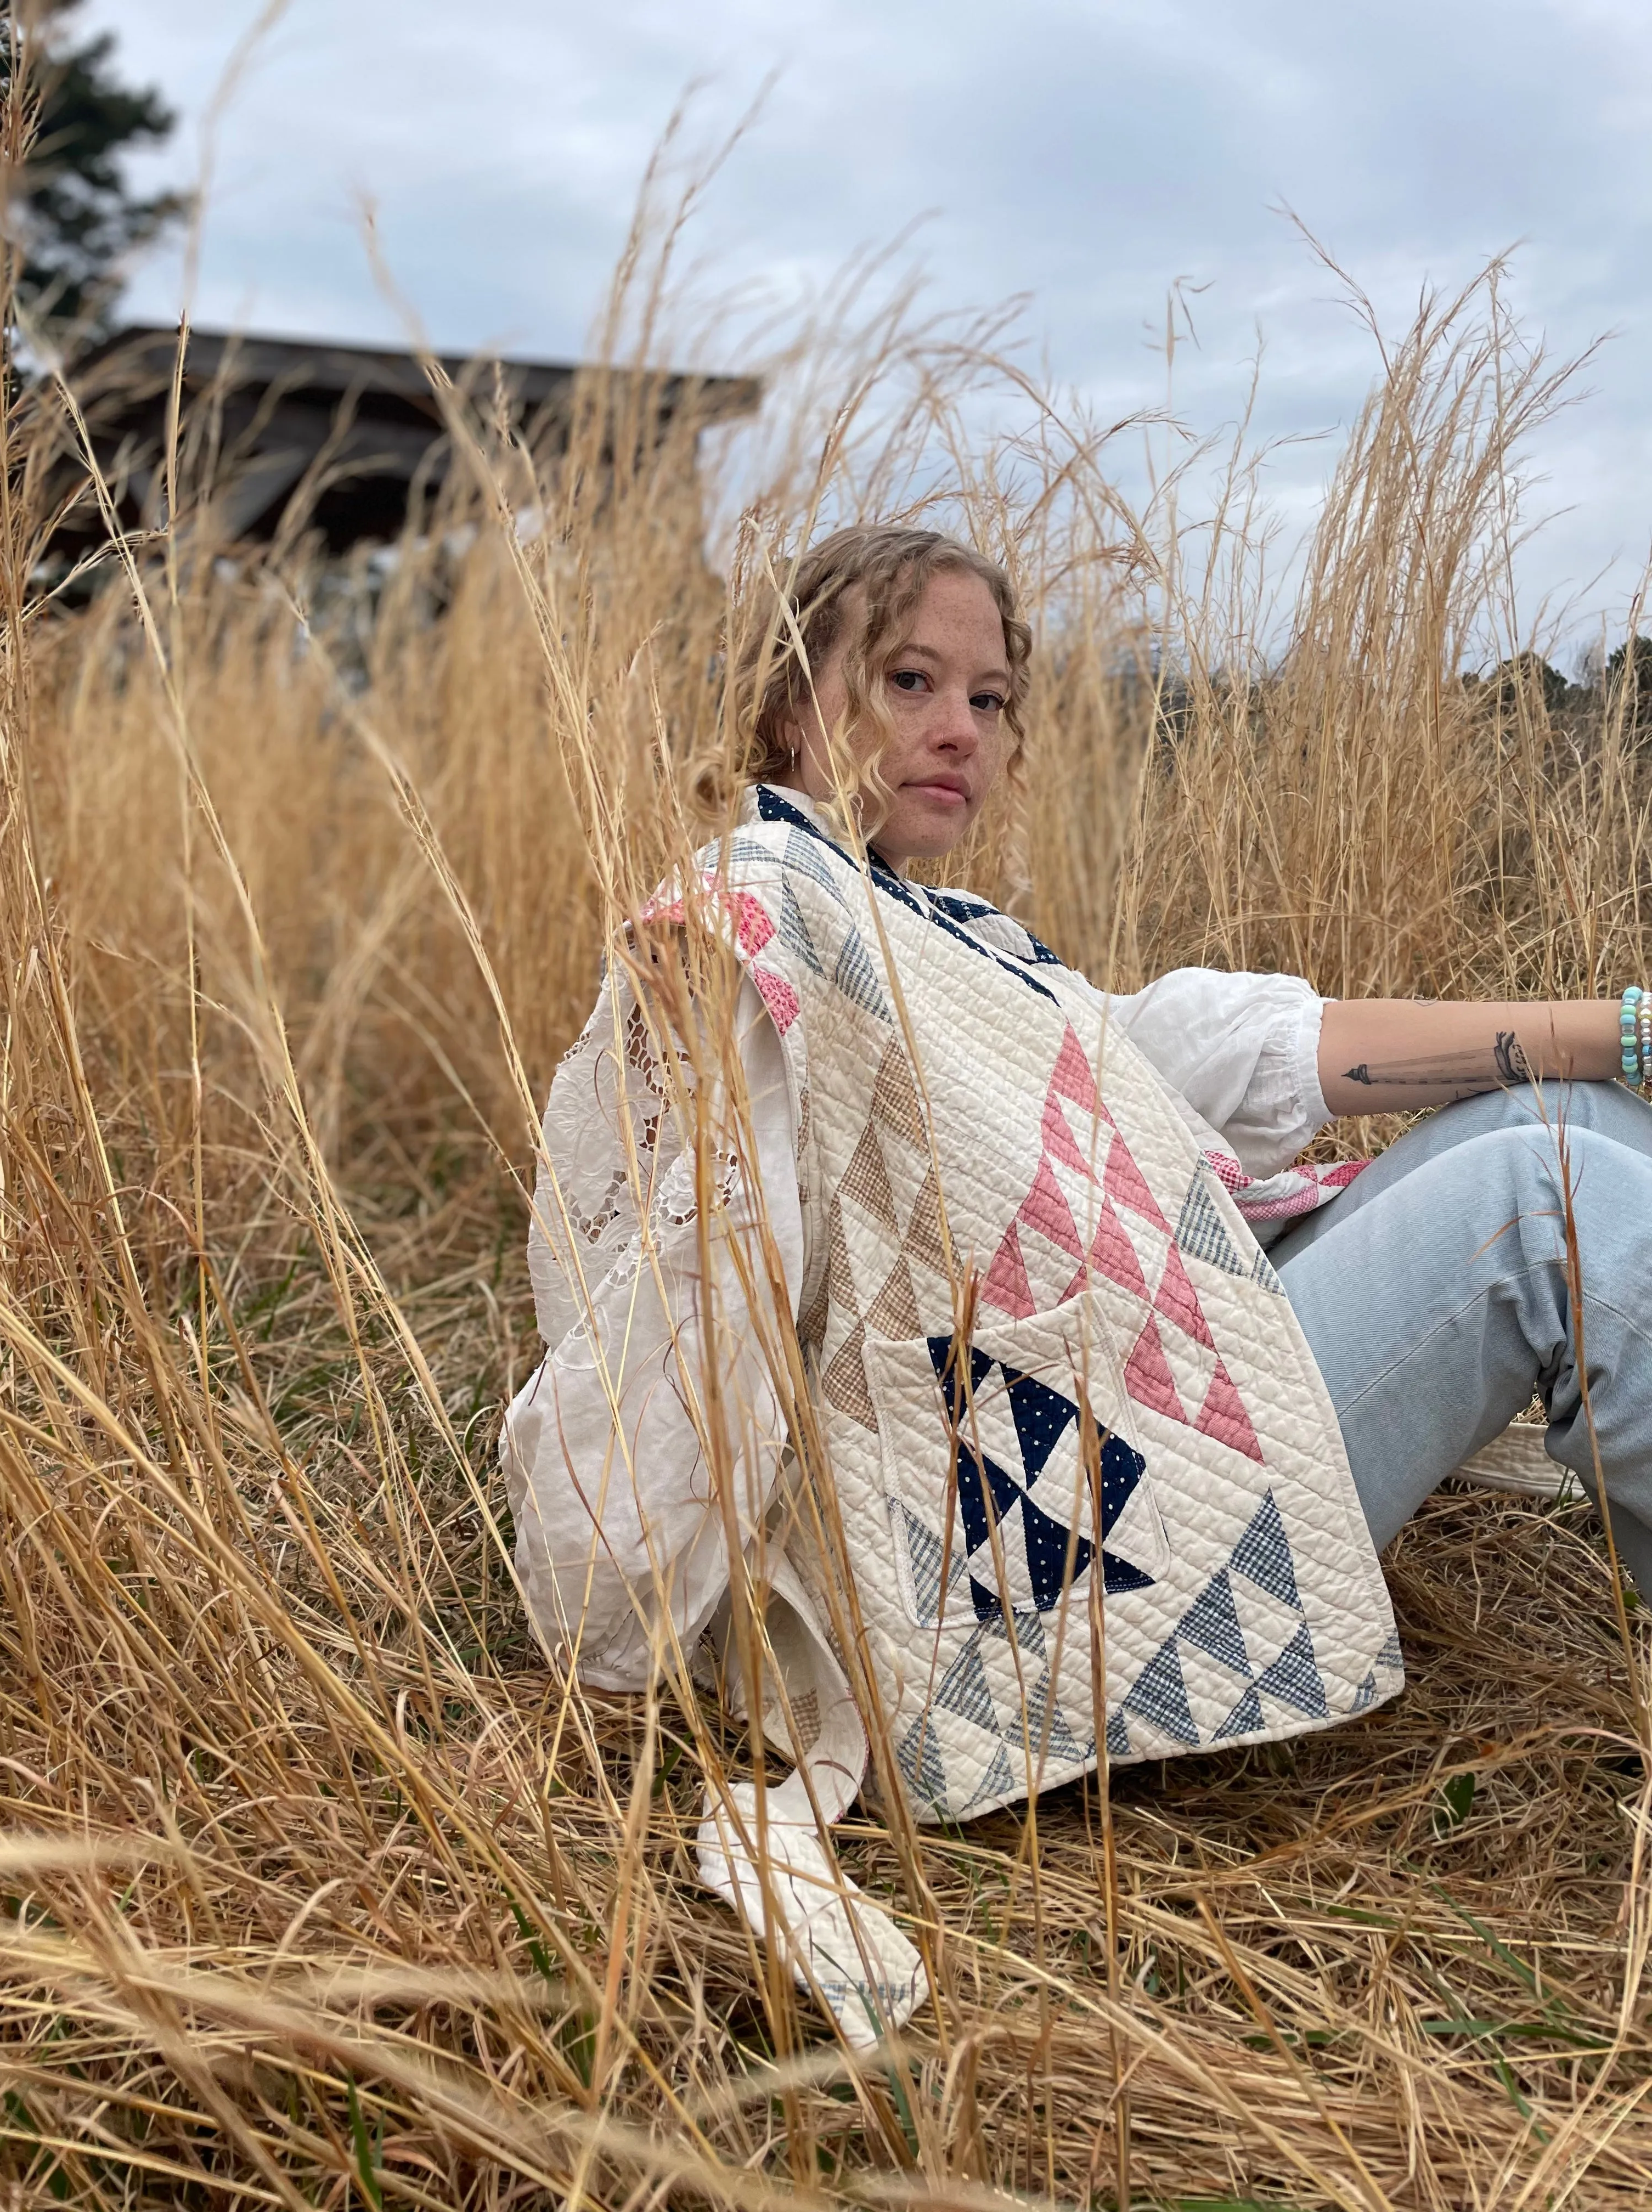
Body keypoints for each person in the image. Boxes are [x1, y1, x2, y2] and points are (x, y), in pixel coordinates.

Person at [503, 524, 1652, 2045]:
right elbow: (692, 1276)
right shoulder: (770, 905)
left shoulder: (937, 932)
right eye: (908, 680)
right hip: (1057, 1526)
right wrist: (685, 1644)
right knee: (1539, 1202)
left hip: (1118, 1404)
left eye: (990, 698)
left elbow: (1186, 1056)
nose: (958, 729)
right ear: (790, 706)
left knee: (1559, 1124)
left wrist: (1610, 1031)